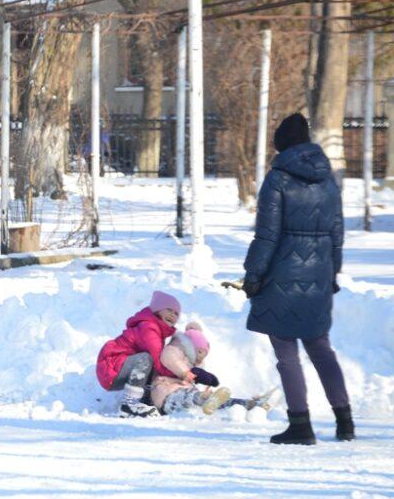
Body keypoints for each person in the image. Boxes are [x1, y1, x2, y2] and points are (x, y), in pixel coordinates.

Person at [242, 113, 354, 445]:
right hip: (318, 275)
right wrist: (332, 271)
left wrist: (253, 275)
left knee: (286, 352)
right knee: (321, 347)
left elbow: (266, 236)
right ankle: (344, 421)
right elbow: (337, 233)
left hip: (282, 276)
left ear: (282, 144)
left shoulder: (278, 178)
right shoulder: (328, 178)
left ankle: (300, 425)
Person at [150, 323, 277, 416]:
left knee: (209, 400)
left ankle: (247, 404)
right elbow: (169, 358)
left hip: (185, 392)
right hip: (166, 396)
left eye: (203, 355)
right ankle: (203, 399)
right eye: (199, 352)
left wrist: (202, 375)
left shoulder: (190, 361)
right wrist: (187, 372)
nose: (200, 358)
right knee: (189, 397)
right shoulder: (174, 349)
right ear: (189, 346)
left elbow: (195, 373)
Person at [96, 291, 181, 418]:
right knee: (146, 359)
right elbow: (158, 360)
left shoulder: (157, 330)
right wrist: (181, 373)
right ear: (157, 309)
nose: (173, 315)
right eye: (169, 309)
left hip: (120, 367)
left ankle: (146, 402)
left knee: (151, 365)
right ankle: (130, 405)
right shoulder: (149, 327)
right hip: (111, 368)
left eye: (176, 313)